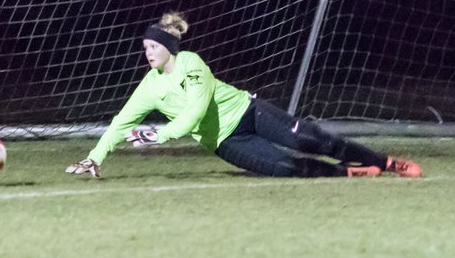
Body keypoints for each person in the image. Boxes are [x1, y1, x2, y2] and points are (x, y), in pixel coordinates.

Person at [66, 12, 422, 180]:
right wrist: (96, 156)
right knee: (284, 168)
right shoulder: (150, 85)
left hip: (249, 113)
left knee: (313, 140)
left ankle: (387, 162)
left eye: (153, 46)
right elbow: (120, 122)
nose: (148, 52)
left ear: (170, 47)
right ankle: (347, 174)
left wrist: (159, 134)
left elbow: (193, 113)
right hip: (223, 141)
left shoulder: (191, 63)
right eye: (145, 47)